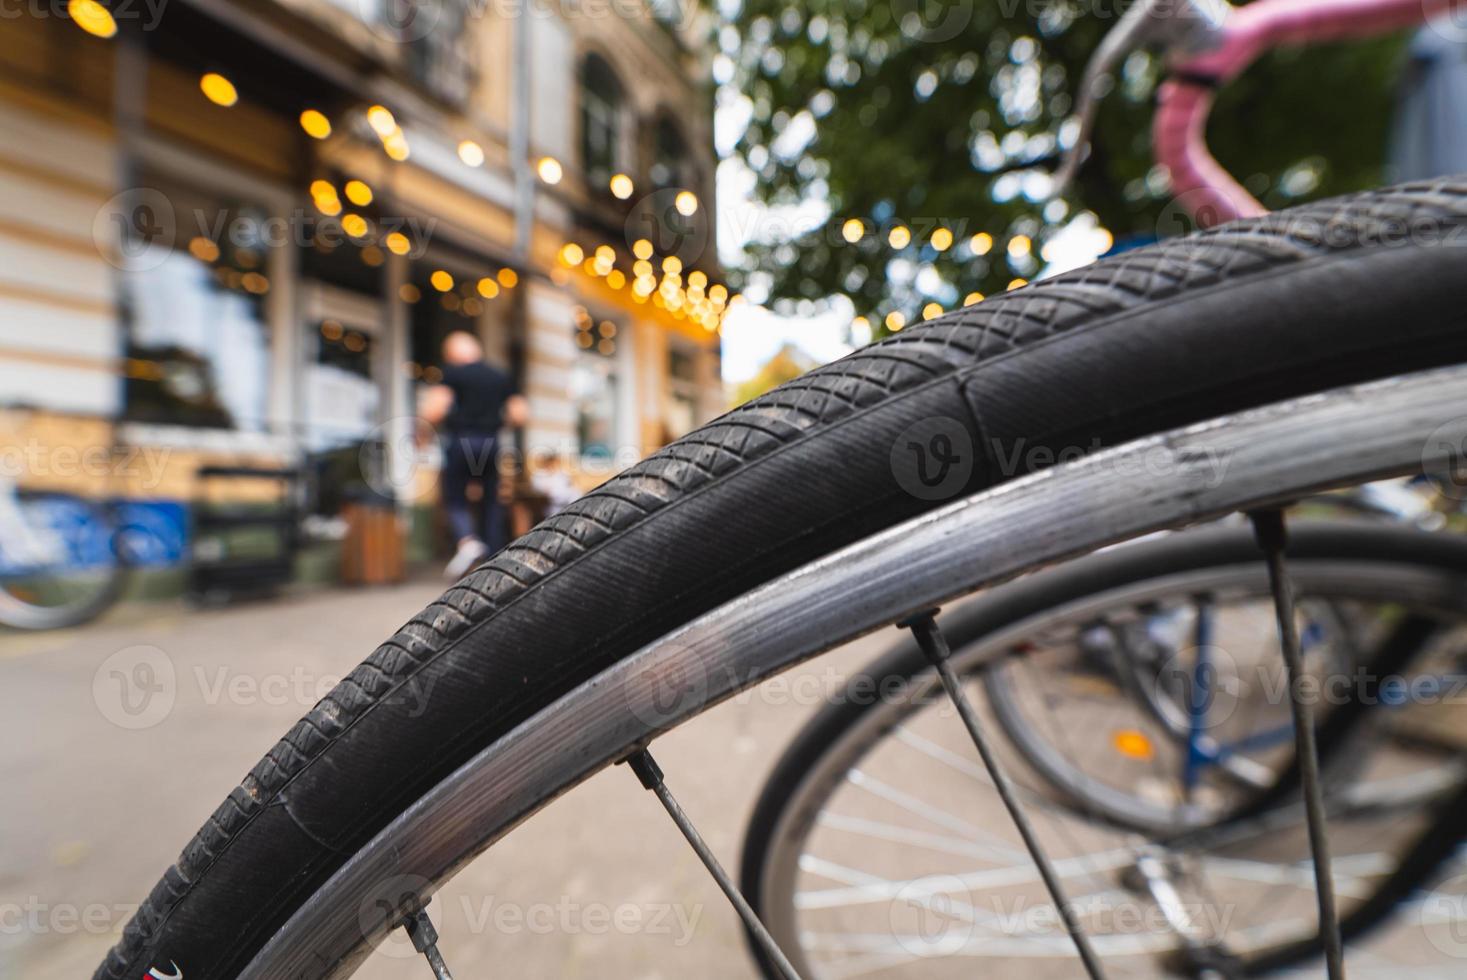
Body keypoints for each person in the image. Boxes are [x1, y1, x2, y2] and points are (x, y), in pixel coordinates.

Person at [419, 331, 528, 579]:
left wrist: (422, 433)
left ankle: (468, 541)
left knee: (455, 496)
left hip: (462, 440)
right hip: (490, 442)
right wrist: (496, 422)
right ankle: (494, 564)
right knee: (491, 501)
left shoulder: (454, 373)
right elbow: (520, 414)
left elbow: (434, 410)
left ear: (452, 353)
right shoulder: (499, 376)